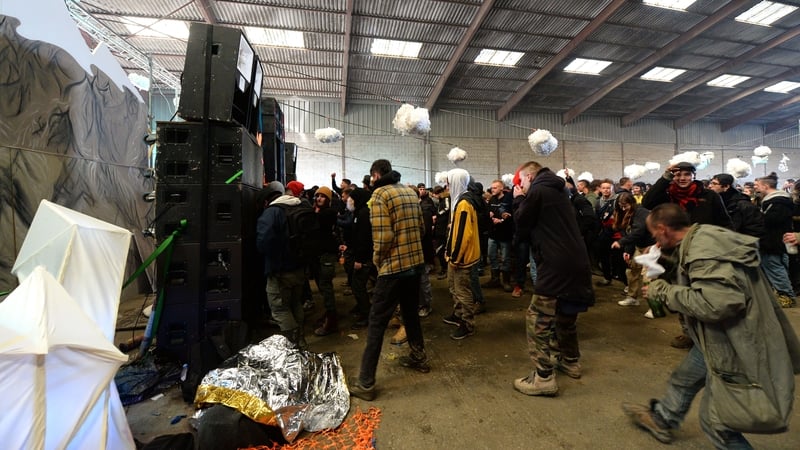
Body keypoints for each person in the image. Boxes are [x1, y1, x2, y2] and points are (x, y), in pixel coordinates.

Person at [623, 203, 800, 448]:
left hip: (734, 341)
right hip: (714, 337)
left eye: (655, 235)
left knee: (718, 423)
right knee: (685, 378)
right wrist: (663, 257)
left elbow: (717, 305)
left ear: (663, 229)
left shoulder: (703, 251)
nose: (654, 239)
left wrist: (662, 290)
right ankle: (664, 418)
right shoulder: (702, 236)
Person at [512, 161, 595, 397]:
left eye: (521, 182)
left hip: (556, 264)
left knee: (537, 317)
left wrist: (518, 199)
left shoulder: (538, 190)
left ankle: (543, 377)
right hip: (576, 261)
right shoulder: (559, 188)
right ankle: (570, 360)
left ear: (528, 176)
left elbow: (522, 224)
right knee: (565, 315)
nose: (521, 186)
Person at [349, 159, 428, 401]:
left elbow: (383, 237)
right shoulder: (409, 191)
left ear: (375, 175)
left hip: (393, 268)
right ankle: (419, 357)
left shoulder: (379, 195)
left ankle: (365, 382)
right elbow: (422, 228)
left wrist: (377, 260)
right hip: (415, 265)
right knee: (410, 313)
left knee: (376, 323)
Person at [642, 161, 732, 349]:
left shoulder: (709, 196)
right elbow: (647, 202)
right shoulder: (668, 195)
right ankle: (689, 332)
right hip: (674, 253)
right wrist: (665, 176)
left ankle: (711, 333)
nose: (682, 178)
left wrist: (723, 245)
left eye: (686, 174)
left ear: (693, 175)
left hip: (705, 250)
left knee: (704, 292)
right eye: (678, 175)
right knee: (680, 291)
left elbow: (724, 222)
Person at [255, 181, 308, 349]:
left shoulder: (271, 213)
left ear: (266, 201)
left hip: (280, 270)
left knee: (280, 309)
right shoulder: (299, 206)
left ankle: (294, 345)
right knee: (295, 303)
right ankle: (301, 339)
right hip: (300, 267)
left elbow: (263, 243)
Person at [442, 169, 482, 339]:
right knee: (453, 286)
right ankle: (458, 314)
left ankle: (467, 323)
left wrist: (456, 257)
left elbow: (464, 234)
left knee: (462, 290)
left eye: (449, 183)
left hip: (462, 257)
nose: (447, 186)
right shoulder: (460, 201)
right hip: (456, 255)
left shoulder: (464, 203)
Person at [755, 173, 796, 307]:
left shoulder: (776, 202)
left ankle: (786, 296)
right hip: (778, 241)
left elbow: (770, 221)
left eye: (758, 186)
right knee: (779, 268)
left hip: (773, 242)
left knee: (776, 269)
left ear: (766, 186)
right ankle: (783, 294)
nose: (756, 189)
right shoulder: (778, 201)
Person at [610, 192, 654, 309]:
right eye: (621, 205)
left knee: (648, 277)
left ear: (632, 203)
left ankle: (655, 307)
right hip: (638, 247)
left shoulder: (641, 212)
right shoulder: (623, 214)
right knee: (632, 271)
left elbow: (638, 232)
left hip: (651, 247)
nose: (623, 208)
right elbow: (628, 233)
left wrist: (621, 243)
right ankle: (632, 297)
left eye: (626, 205)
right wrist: (628, 251)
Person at [311, 186, 341, 336]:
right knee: (323, 286)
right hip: (320, 254)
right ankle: (328, 314)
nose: (319, 199)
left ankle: (331, 321)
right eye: (317, 196)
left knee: (326, 286)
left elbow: (316, 226)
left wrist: (315, 213)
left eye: (323, 196)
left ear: (328, 199)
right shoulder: (320, 212)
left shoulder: (328, 213)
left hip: (327, 255)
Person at [345, 187, 373, 329]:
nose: (349, 200)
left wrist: (359, 260)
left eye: (352, 198)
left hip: (364, 258)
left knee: (358, 286)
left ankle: (366, 315)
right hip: (360, 255)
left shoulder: (363, 214)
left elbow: (364, 239)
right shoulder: (359, 212)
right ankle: (362, 307)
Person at [483, 179, 514, 292]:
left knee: (505, 258)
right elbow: (489, 212)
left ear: (501, 188)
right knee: (492, 256)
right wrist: (489, 216)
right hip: (493, 234)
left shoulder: (508, 199)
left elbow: (512, 215)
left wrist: (501, 220)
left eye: (495, 188)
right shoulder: (491, 199)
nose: (492, 189)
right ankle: (495, 279)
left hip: (505, 234)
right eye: (492, 188)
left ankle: (506, 281)